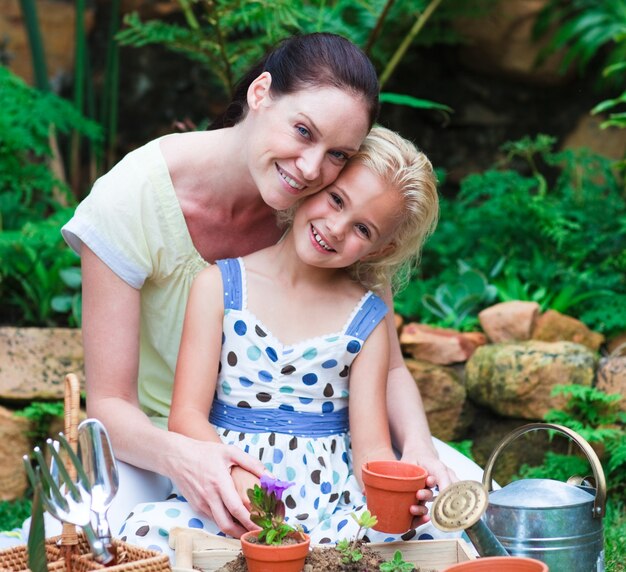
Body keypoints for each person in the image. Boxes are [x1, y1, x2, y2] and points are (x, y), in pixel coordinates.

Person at [57, 31, 477, 543]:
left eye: (338, 154)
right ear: (260, 93)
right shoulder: (131, 198)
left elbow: (387, 368)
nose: (310, 168)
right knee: (90, 533)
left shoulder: (327, 212)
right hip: (156, 445)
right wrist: (196, 459)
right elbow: (109, 404)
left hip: (323, 454)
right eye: (302, 130)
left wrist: (418, 446)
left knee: (468, 502)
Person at [120, 126, 452, 555]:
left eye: (363, 230)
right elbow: (186, 416)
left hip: (329, 507)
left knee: (416, 543)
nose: (335, 228)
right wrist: (238, 481)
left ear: (376, 250)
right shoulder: (220, 285)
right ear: (314, 186)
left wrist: (396, 492)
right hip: (230, 488)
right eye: (336, 200)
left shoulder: (366, 317)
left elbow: (371, 447)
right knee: (143, 533)